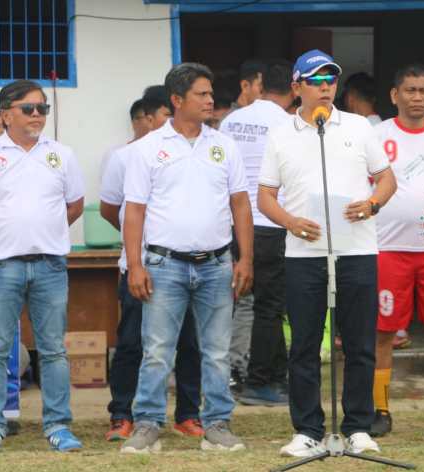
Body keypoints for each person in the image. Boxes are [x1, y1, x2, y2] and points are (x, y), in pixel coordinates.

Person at [257, 49, 397, 457]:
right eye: (315, 80)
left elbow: (386, 179)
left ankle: (357, 427)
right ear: (296, 87)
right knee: (304, 345)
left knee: (359, 344)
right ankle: (307, 430)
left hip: (357, 250)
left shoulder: (358, 126)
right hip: (304, 254)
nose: (325, 87)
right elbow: (265, 196)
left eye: (330, 80)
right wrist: (290, 221)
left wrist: (372, 204)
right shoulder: (280, 135)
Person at [119, 62, 253, 454]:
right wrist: (135, 264)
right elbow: (134, 211)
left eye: (211, 93)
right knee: (157, 351)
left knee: (216, 352)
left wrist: (245, 259)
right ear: (177, 100)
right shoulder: (147, 148)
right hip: (163, 265)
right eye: (201, 94)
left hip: (217, 264)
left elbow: (240, 204)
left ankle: (217, 425)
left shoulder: (225, 145)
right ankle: (147, 425)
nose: (211, 100)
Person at [0, 79, 86, 454]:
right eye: (28, 108)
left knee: (53, 351)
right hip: (2, 267)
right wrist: (6, 236)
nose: (37, 115)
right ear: (5, 114)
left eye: (42, 108)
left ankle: (58, 426)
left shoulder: (62, 154)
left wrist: (43, 234)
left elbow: (75, 206)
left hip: (50, 267)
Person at [100, 85, 204, 441]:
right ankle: (122, 415)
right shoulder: (124, 157)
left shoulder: (196, 151)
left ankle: (188, 414)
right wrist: (136, 246)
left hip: (185, 265)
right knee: (132, 343)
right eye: (166, 115)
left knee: (189, 343)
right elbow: (111, 210)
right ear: (148, 119)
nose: (174, 121)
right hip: (140, 266)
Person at [369, 64, 424, 439]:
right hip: (387, 248)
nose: (416, 97)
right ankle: (380, 411)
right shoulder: (376, 135)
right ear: (395, 95)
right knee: (383, 332)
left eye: (423, 90)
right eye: (409, 90)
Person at [218, 59, 295, 407]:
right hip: (270, 221)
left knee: (260, 302)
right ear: (295, 89)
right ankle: (258, 381)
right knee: (270, 307)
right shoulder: (288, 125)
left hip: (235, 223)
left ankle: (277, 377)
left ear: (260, 86)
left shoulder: (230, 120)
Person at [221, 59, 266, 389]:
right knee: (247, 297)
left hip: (247, 221)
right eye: (260, 88)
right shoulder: (231, 122)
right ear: (246, 86)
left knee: (247, 297)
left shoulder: (229, 122)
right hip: (244, 221)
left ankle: (239, 364)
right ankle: (237, 365)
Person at [99, 99, 153, 181]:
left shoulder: (167, 152)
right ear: (135, 123)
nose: (155, 123)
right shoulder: (115, 154)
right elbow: (109, 187)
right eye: (149, 118)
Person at [217, 58, 265, 129]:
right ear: (245, 86)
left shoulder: (266, 117)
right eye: (262, 87)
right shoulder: (228, 122)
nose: (268, 93)